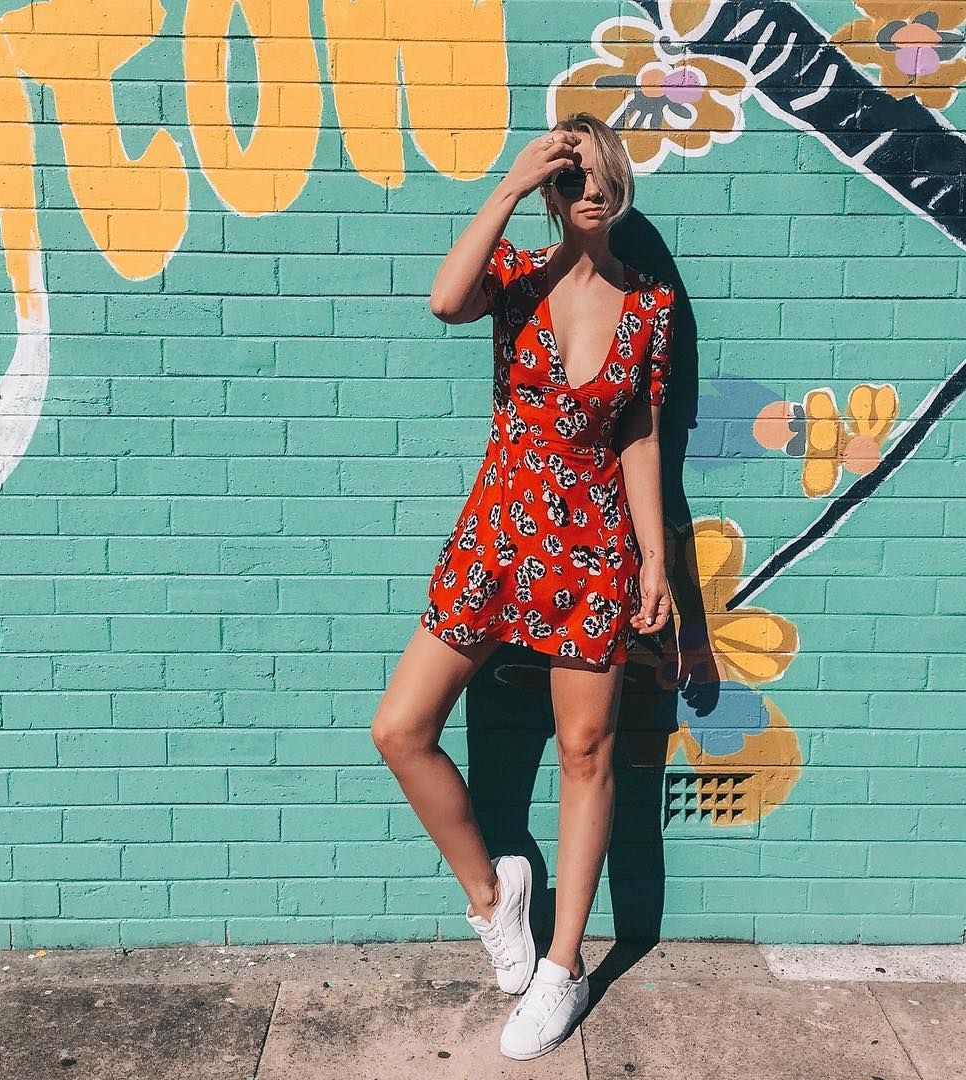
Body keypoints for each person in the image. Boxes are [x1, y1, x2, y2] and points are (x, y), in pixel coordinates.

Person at [371, 111, 675, 1061]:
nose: (590, 188)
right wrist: (506, 185)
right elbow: (443, 301)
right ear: (548, 190)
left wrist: (656, 559)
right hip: (498, 539)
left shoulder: (651, 306)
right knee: (400, 729)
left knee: (588, 752)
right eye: (569, 174)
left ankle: (563, 968)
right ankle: (493, 894)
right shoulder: (516, 279)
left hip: (593, 551)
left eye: (601, 171)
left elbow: (639, 434)